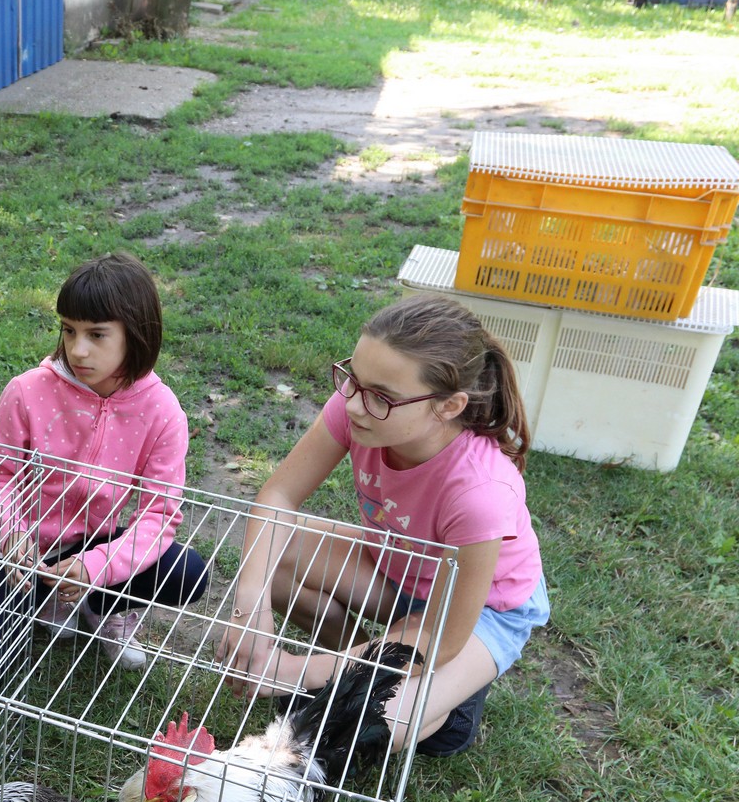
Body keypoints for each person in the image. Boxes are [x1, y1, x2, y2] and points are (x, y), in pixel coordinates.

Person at [218, 293, 549, 757]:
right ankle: (366, 666)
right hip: (398, 564)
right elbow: (278, 495)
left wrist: (293, 671)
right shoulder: (359, 409)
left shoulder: (481, 492)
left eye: (381, 396)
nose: (353, 404)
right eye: (353, 378)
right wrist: (251, 606)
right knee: (275, 554)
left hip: (476, 609)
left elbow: (441, 637)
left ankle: (446, 707)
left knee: (374, 726)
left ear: (449, 406)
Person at [0, 252, 209, 674]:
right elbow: (0, 478)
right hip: (27, 552)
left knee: (187, 571)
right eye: (68, 330)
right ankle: (48, 605)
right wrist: (12, 540)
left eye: (97, 335)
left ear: (136, 334)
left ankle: (102, 604)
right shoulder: (25, 391)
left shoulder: (163, 412)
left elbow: (159, 514)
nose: (77, 350)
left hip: (97, 547)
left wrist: (94, 567)